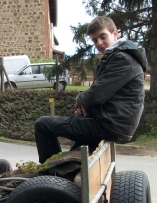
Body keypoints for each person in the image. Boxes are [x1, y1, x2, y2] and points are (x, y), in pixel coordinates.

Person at [34, 16, 147, 163]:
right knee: (74, 152)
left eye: (102, 37)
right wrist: (85, 107)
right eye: (94, 40)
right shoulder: (116, 57)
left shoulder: (122, 59)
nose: (99, 43)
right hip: (109, 121)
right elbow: (101, 93)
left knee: (43, 125)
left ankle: (50, 177)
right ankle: (62, 172)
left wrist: (80, 100)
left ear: (115, 33)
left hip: (110, 125)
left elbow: (96, 94)